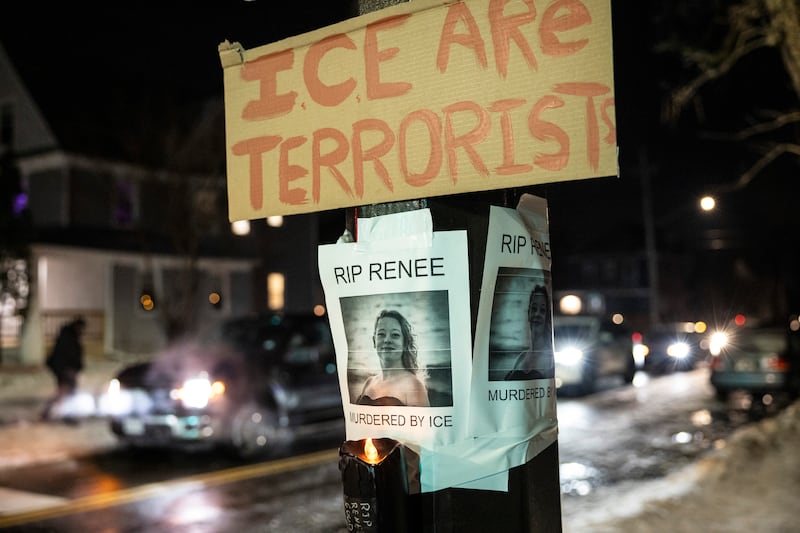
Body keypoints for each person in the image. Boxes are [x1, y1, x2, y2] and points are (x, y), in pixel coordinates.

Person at [355, 309, 430, 407]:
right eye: (381, 334)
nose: (387, 340)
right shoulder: (369, 383)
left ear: (405, 343)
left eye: (395, 335)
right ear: (374, 341)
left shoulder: (414, 385)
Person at [41, 316, 86, 421]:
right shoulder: (69, 337)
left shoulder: (69, 335)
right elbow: (69, 354)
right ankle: (65, 415)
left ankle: (50, 413)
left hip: (65, 368)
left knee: (64, 392)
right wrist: (73, 367)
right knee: (65, 392)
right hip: (65, 369)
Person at [505, 285, 554, 380]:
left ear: (547, 317)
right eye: (534, 309)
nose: (537, 314)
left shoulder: (550, 359)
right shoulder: (520, 358)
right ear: (528, 313)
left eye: (542, 310)